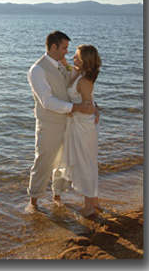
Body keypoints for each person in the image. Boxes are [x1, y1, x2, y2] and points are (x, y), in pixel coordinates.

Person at [27, 31, 98, 210]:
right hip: (50, 124)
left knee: (62, 162)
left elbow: (82, 88)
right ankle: (33, 203)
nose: (67, 52)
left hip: (70, 124)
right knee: (43, 161)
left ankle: (57, 197)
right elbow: (47, 101)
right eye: (64, 48)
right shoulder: (37, 70)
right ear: (53, 47)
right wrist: (76, 108)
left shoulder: (63, 66)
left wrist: (94, 106)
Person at [57, 44, 102, 217]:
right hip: (78, 125)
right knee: (87, 164)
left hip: (84, 128)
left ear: (84, 61)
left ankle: (89, 206)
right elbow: (62, 62)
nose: (73, 58)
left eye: (77, 56)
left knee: (86, 165)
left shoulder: (83, 81)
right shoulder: (75, 71)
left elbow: (89, 107)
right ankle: (94, 201)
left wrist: (71, 109)